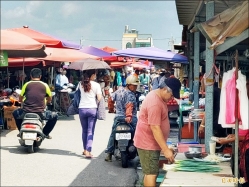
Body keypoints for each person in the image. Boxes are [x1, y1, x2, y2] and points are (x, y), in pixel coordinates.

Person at [133, 77, 181, 187]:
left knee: (150, 172)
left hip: (150, 142)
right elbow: (155, 127)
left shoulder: (158, 96)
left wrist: (165, 146)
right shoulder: (155, 103)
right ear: (165, 89)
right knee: (151, 173)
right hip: (147, 143)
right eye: (172, 95)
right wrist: (165, 149)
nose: (171, 98)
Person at [12, 68, 58, 139]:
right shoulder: (45, 85)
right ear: (40, 76)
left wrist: (23, 100)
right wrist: (46, 102)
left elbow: (20, 99)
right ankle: (45, 133)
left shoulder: (26, 84)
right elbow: (50, 98)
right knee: (55, 116)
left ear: (30, 76)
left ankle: (20, 130)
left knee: (15, 113)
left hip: (26, 112)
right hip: (41, 113)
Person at [105, 75, 139, 162]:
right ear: (128, 84)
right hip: (131, 118)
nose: (135, 87)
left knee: (113, 134)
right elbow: (129, 106)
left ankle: (109, 153)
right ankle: (139, 151)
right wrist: (128, 116)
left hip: (119, 117)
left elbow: (110, 99)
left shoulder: (118, 91)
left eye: (136, 85)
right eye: (134, 85)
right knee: (138, 133)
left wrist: (111, 109)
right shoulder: (130, 94)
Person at [78, 70, 102, 158]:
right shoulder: (96, 85)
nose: (96, 75)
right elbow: (99, 98)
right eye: (95, 74)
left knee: (84, 130)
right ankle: (88, 151)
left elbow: (78, 95)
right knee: (90, 131)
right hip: (92, 109)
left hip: (82, 109)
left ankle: (85, 150)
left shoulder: (80, 84)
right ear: (92, 75)